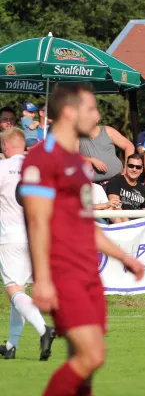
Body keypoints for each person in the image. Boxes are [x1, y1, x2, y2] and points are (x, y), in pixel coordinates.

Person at [19, 85, 145, 396]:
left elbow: (84, 225)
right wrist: (43, 280)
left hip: (89, 272)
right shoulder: (42, 159)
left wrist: (123, 256)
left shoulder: (76, 162)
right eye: (91, 109)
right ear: (69, 112)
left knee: (85, 365)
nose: (98, 116)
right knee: (92, 355)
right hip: (64, 274)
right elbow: (36, 221)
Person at [0, 128, 56, 360]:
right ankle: (11, 346)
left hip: (11, 236)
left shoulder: (2, 168)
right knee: (20, 291)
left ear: (6, 146)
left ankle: (44, 329)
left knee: (14, 289)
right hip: (37, 237)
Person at [79, 123, 135, 188]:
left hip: (116, 180)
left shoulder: (107, 131)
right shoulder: (77, 136)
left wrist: (126, 170)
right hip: (94, 186)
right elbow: (71, 156)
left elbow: (129, 146)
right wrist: (91, 160)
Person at [106, 154, 145, 222]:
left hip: (138, 225)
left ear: (142, 170)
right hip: (121, 224)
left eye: (138, 167)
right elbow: (115, 207)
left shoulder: (143, 189)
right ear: (126, 166)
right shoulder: (115, 181)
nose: (134, 169)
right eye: (131, 166)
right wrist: (129, 225)